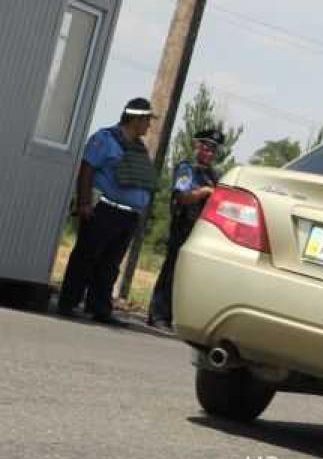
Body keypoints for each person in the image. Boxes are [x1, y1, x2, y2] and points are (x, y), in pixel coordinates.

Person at [57, 98, 159, 327]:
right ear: (135, 119)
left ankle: (99, 308)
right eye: (146, 120)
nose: (149, 126)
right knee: (86, 257)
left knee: (110, 264)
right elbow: (87, 169)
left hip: (128, 216)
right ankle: (68, 302)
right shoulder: (105, 139)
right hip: (103, 210)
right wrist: (84, 202)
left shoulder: (139, 147)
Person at [147, 128, 224, 330]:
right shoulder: (186, 168)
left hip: (201, 229)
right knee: (172, 270)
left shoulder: (213, 175)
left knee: (189, 275)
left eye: (213, 151)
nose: (209, 153)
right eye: (206, 148)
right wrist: (204, 192)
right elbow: (182, 196)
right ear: (197, 146)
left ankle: (175, 315)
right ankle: (158, 314)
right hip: (183, 225)